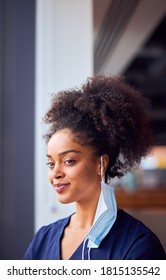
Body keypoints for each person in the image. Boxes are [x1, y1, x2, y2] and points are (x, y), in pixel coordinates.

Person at [24, 75, 166, 260]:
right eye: (51, 163)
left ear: (101, 164)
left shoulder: (138, 244)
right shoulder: (43, 239)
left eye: (68, 161)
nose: (55, 174)